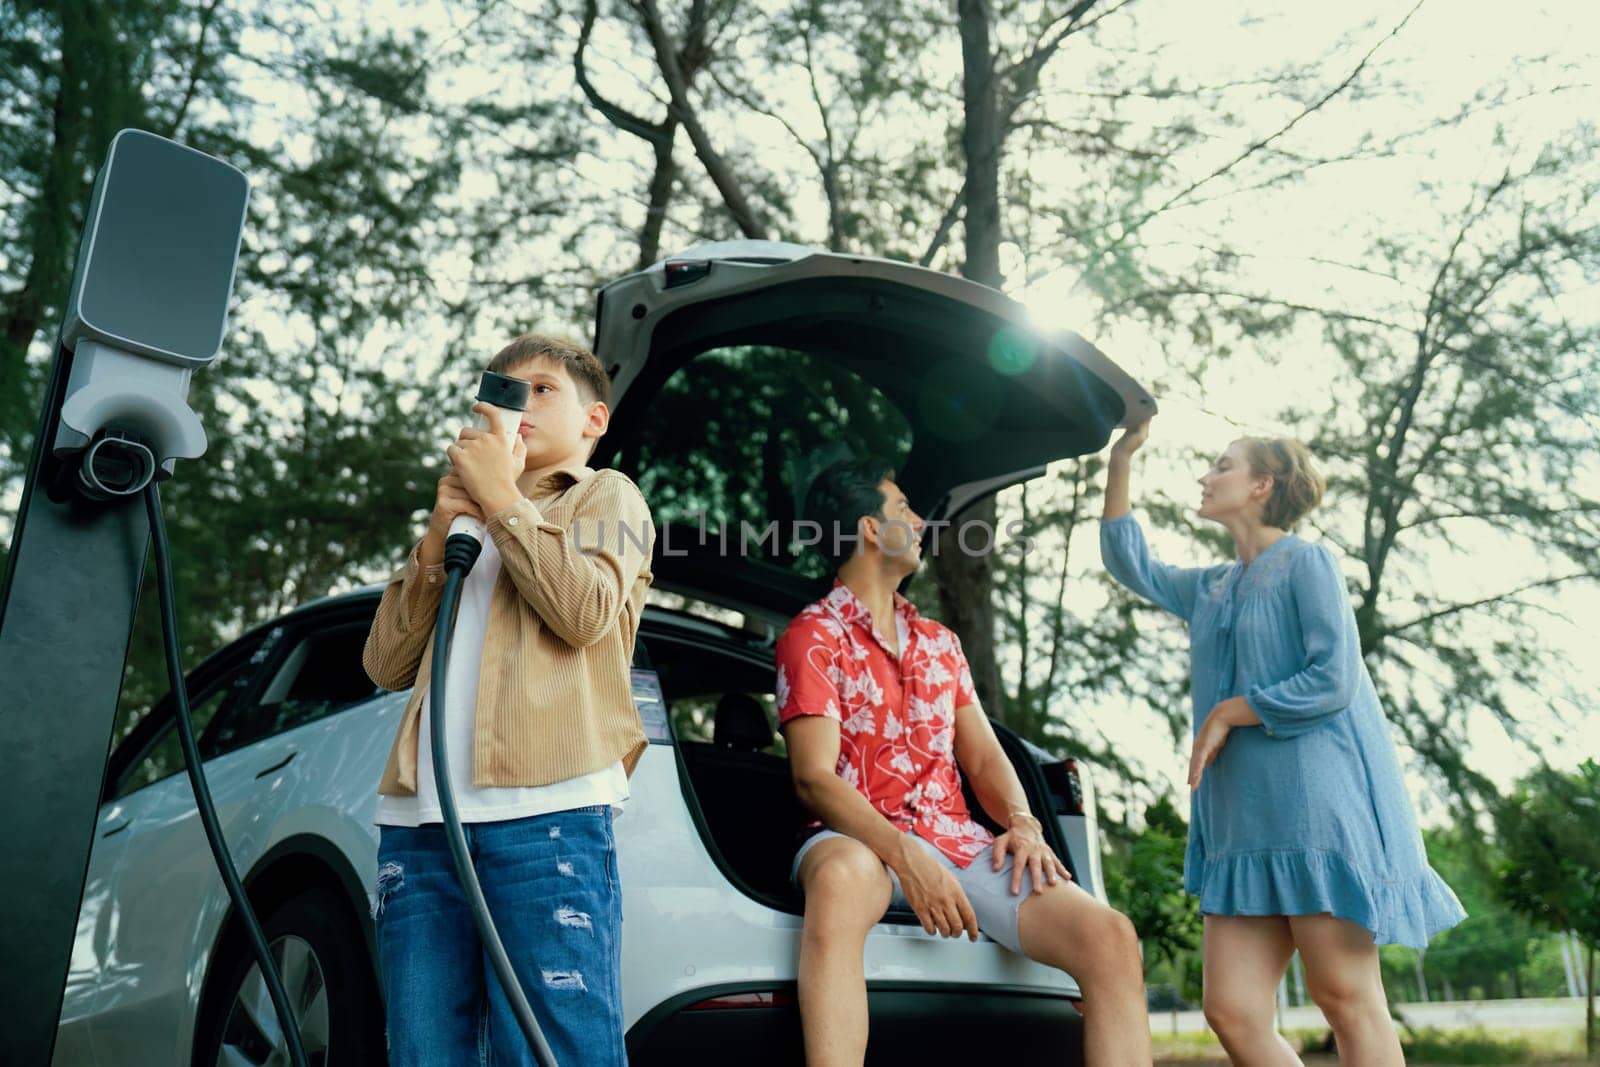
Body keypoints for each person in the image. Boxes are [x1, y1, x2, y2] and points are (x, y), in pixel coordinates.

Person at [1100, 419, 1465, 1066]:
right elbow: (1131, 563)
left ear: (1262, 484)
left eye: (1222, 466)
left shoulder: (1307, 562)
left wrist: (1231, 712)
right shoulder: (1210, 586)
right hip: (1240, 828)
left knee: (1346, 996)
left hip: (1315, 815)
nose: (1206, 477)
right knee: (1234, 1010)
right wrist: (1122, 457)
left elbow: (1334, 677)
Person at [776, 455, 1151, 1067]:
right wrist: (907, 858)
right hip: (855, 836)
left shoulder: (941, 645)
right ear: (870, 528)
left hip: (957, 841)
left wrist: (1024, 824)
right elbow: (813, 779)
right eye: (903, 509)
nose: (920, 521)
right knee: (843, 879)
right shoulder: (812, 636)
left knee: (1111, 937)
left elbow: (982, 755)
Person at [362, 333, 655, 1066]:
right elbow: (385, 662)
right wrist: (439, 533)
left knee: (554, 1048)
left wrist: (501, 498)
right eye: (502, 389)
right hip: (422, 824)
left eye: (543, 388)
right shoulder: (465, 521)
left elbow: (585, 609)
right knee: (425, 1049)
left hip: (544, 817)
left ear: (595, 418)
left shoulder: (607, 493)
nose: (518, 402)